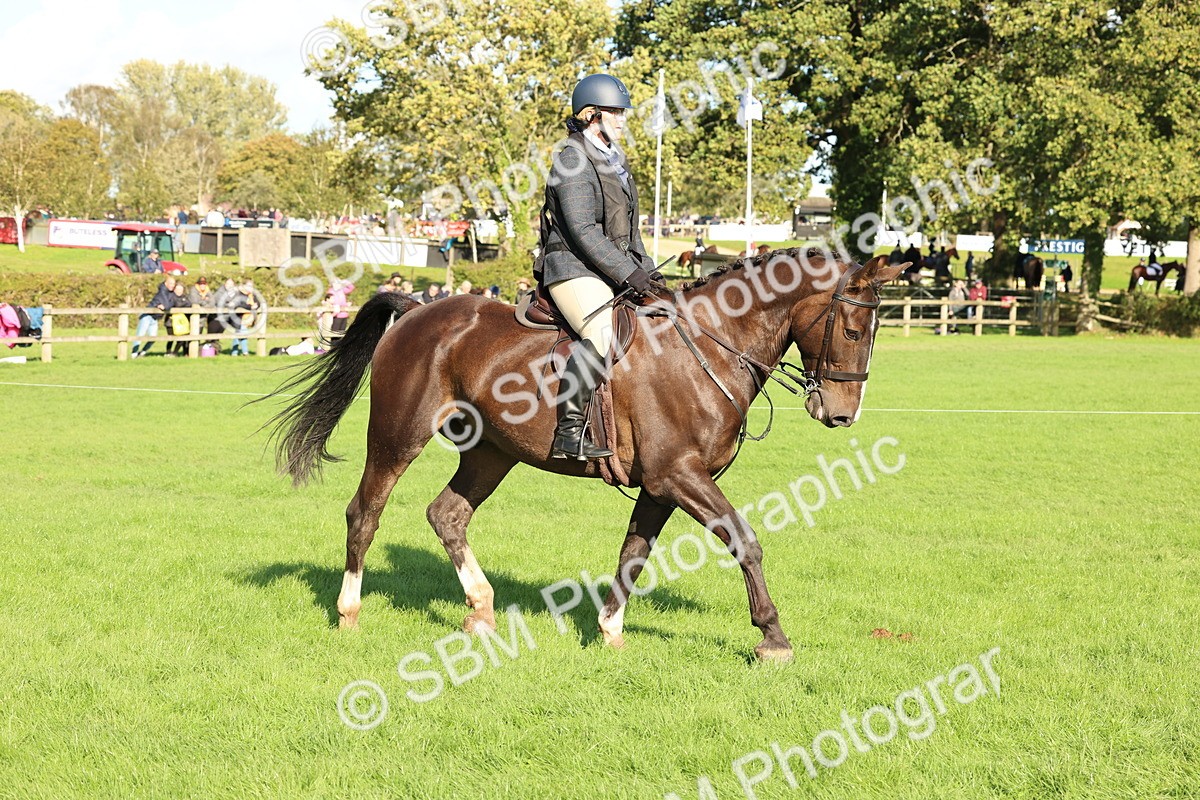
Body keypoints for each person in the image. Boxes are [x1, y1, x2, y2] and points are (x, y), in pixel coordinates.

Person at [533, 73, 658, 460]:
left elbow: (629, 231)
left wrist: (650, 273)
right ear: (591, 115)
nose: (622, 120)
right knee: (602, 333)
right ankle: (568, 432)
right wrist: (627, 273)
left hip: (606, 268)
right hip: (571, 267)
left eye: (622, 113)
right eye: (615, 112)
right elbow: (584, 231)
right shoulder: (571, 158)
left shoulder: (614, 161)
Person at [131, 276, 176, 358]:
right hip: (147, 316)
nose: (172, 285)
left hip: (155, 318)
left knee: (153, 337)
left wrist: (166, 306)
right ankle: (134, 354)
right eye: (170, 283)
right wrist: (166, 306)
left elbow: (171, 304)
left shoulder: (171, 293)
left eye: (173, 284)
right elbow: (167, 305)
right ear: (166, 283)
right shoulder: (162, 291)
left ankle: (142, 352)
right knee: (140, 335)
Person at [163, 281, 191, 355]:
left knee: (181, 339)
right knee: (171, 338)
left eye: (181, 290)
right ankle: (168, 352)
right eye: (178, 289)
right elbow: (175, 304)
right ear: (174, 289)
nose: (179, 291)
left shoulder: (185, 297)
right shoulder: (170, 297)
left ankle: (175, 353)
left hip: (181, 322)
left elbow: (189, 305)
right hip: (170, 321)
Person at [188, 277, 217, 345]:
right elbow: (195, 301)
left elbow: (212, 302)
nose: (202, 285)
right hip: (192, 316)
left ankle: (197, 349)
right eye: (201, 284)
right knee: (191, 334)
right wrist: (206, 300)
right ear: (198, 284)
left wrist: (203, 301)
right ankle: (187, 351)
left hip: (202, 317)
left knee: (199, 333)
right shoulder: (193, 290)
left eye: (204, 284)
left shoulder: (207, 290)